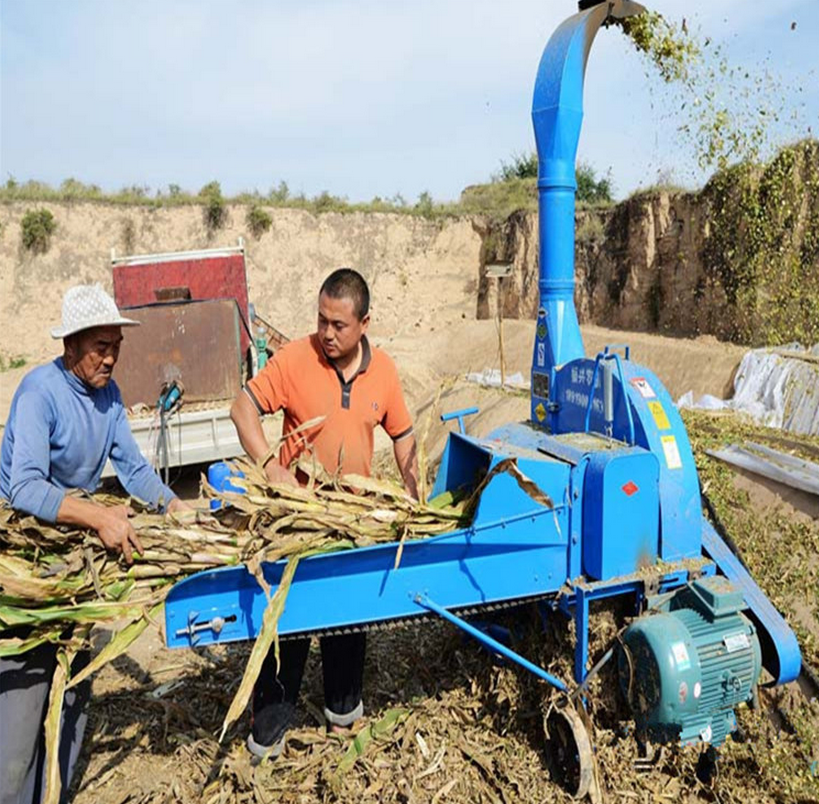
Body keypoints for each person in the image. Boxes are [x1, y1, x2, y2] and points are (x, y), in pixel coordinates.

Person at [0, 283, 188, 804]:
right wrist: (99, 516)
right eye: (99, 347)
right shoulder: (41, 392)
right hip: (27, 576)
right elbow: (24, 487)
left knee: (74, 703)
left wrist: (176, 508)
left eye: (116, 347)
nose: (110, 357)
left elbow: (133, 469)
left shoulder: (109, 398)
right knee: (20, 723)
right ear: (70, 346)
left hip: (75, 567)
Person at [230, 268, 419, 758]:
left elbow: (402, 435)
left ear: (364, 323)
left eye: (339, 325)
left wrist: (412, 486)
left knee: (346, 622)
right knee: (287, 630)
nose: (327, 334)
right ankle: (266, 739)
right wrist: (271, 467)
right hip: (296, 520)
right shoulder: (296, 358)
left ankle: (342, 718)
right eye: (321, 321)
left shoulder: (386, 372)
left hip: (350, 521)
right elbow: (242, 408)